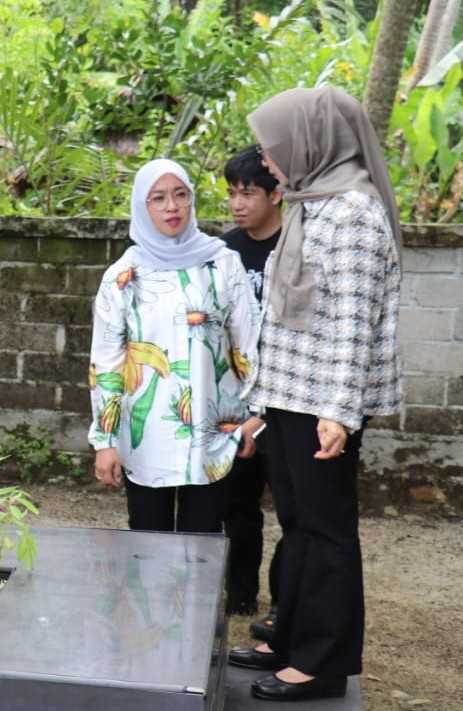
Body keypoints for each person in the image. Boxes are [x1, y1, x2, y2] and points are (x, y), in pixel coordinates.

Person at [227, 86, 403, 703]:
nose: (268, 163)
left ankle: (323, 663)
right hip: (290, 393)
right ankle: (290, 637)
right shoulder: (313, 202)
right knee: (298, 523)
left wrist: (338, 411)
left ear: (311, 143)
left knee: (326, 529)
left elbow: (353, 319)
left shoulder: (352, 212)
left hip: (321, 399)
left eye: (274, 150)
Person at [89, 158, 261, 534]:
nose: (172, 207)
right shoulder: (123, 277)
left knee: (203, 542)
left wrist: (255, 417)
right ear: (141, 206)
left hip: (213, 432)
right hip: (145, 435)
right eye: (159, 198)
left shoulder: (222, 265)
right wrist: (105, 440)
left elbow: (248, 345)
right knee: (149, 542)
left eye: (181, 195)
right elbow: (107, 364)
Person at [219, 145, 284, 623]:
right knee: (238, 506)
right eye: (232, 194)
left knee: (296, 512)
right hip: (238, 404)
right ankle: (241, 595)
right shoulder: (224, 253)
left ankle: (286, 599)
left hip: (286, 400)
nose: (238, 204)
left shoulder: (296, 247)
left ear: (276, 193)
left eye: (248, 193)